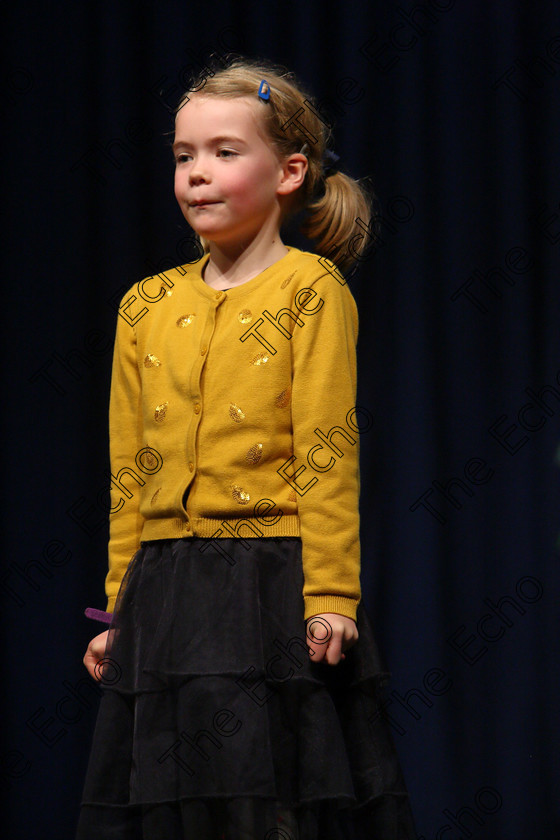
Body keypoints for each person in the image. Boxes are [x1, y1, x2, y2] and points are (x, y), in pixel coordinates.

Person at [76, 56, 415, 840]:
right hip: (165, 592)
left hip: (267, 578)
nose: (198, 173)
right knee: (174, 799)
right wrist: (117, 609)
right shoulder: (146, 304)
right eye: (184, 155)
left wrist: (330, 594)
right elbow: (131, 471)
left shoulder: (309, 289)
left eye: (225, 152)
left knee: (274, 800)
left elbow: (329, 451)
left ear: (290, 171)